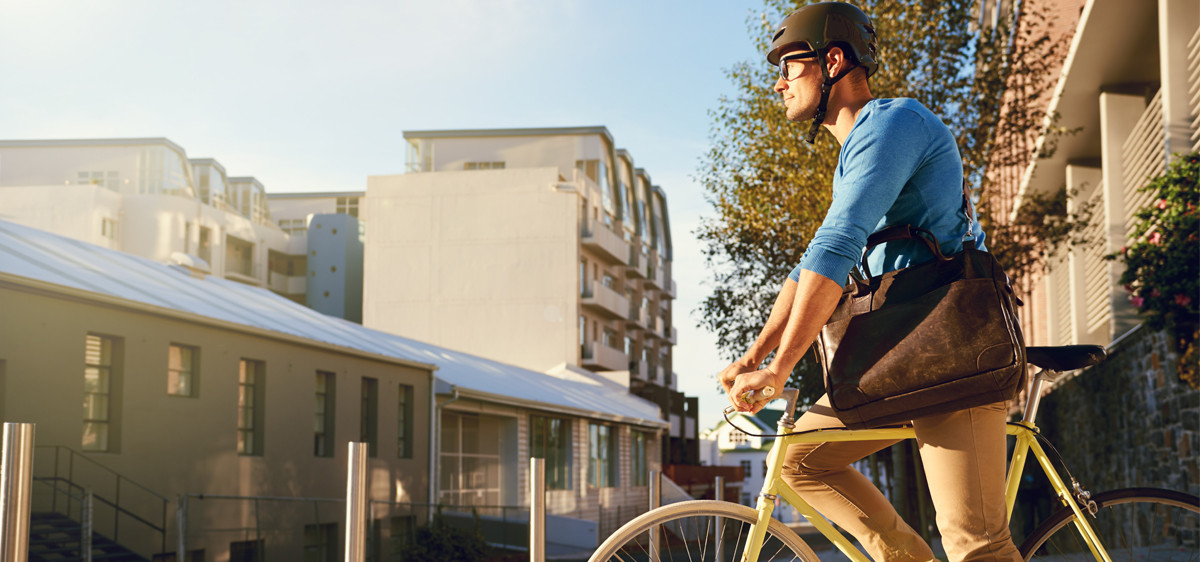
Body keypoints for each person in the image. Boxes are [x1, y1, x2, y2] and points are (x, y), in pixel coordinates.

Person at [718, 2, 1023, 561]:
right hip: (901, 352)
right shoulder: (858, 151)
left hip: (955, 352)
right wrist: (754, 354)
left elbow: (836, 248)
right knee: (799, 462)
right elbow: (809, 264)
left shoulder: (895, 124)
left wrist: (781, 367)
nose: (778, 84)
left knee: (975, 544)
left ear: (833, 60)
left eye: (788, 67)